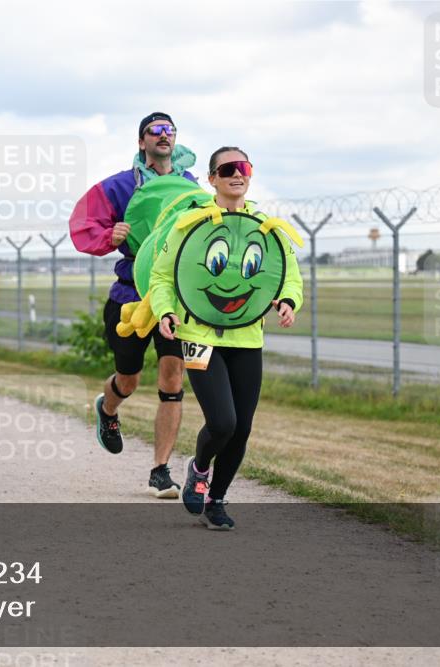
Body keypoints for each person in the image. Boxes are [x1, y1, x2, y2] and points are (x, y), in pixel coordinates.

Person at [150, 147, 304, 530]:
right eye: (228, 169)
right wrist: (165, 310)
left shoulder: (266, 228)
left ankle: (216, 499)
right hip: (198, 335)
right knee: (223, 422)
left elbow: (288, 276)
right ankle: (199, 469)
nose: (238, 174)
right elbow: (163, 277)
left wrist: (288, 300)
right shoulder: (189, 224)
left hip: (248, 339)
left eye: (244, 167)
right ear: (212, 179)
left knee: (243, 428)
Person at [69, 111, 197, 498]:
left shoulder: (190, 187)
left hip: (173, 299)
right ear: (142, 142)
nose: (163, 136)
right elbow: (82, 225)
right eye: (154, 131)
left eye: (169, 130)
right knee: (128, 379)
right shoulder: (120, 186)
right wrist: (111, 234)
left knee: (172, 380)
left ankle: (160, 470)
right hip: (130, 297)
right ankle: (107, 410)